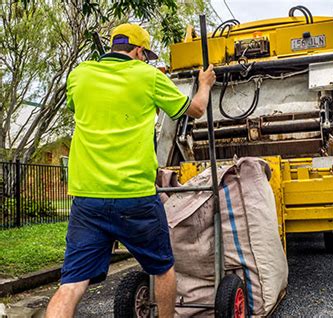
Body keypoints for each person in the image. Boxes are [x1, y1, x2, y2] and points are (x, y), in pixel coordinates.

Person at [45, 23, 216, 318]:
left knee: (71, 283)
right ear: (138, 50)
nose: (146, 60)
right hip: (134, 196)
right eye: (145, 55)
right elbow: (197, 110)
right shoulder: (149, 77)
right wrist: (205, 84)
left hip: (87, 199)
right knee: (162, 269)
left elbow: (84, 108)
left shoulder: (79, 75)